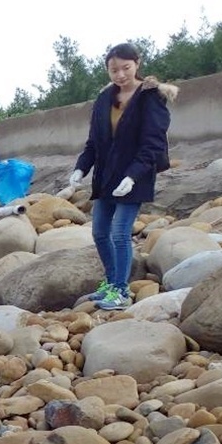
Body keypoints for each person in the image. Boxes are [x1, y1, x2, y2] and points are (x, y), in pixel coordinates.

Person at [69, 43, 176, 310]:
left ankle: (121, 290)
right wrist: (81, 168)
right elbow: (94, 142)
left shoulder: (150, 96)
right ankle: (111, 281)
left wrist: (132, 177)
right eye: (113, 70)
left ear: (137, 64)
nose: (120, 75)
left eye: (125, 68)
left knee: (119, 233)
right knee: (99, 233)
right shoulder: (105, 98)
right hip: (106, 177)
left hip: (135, 176)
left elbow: (152, 144)